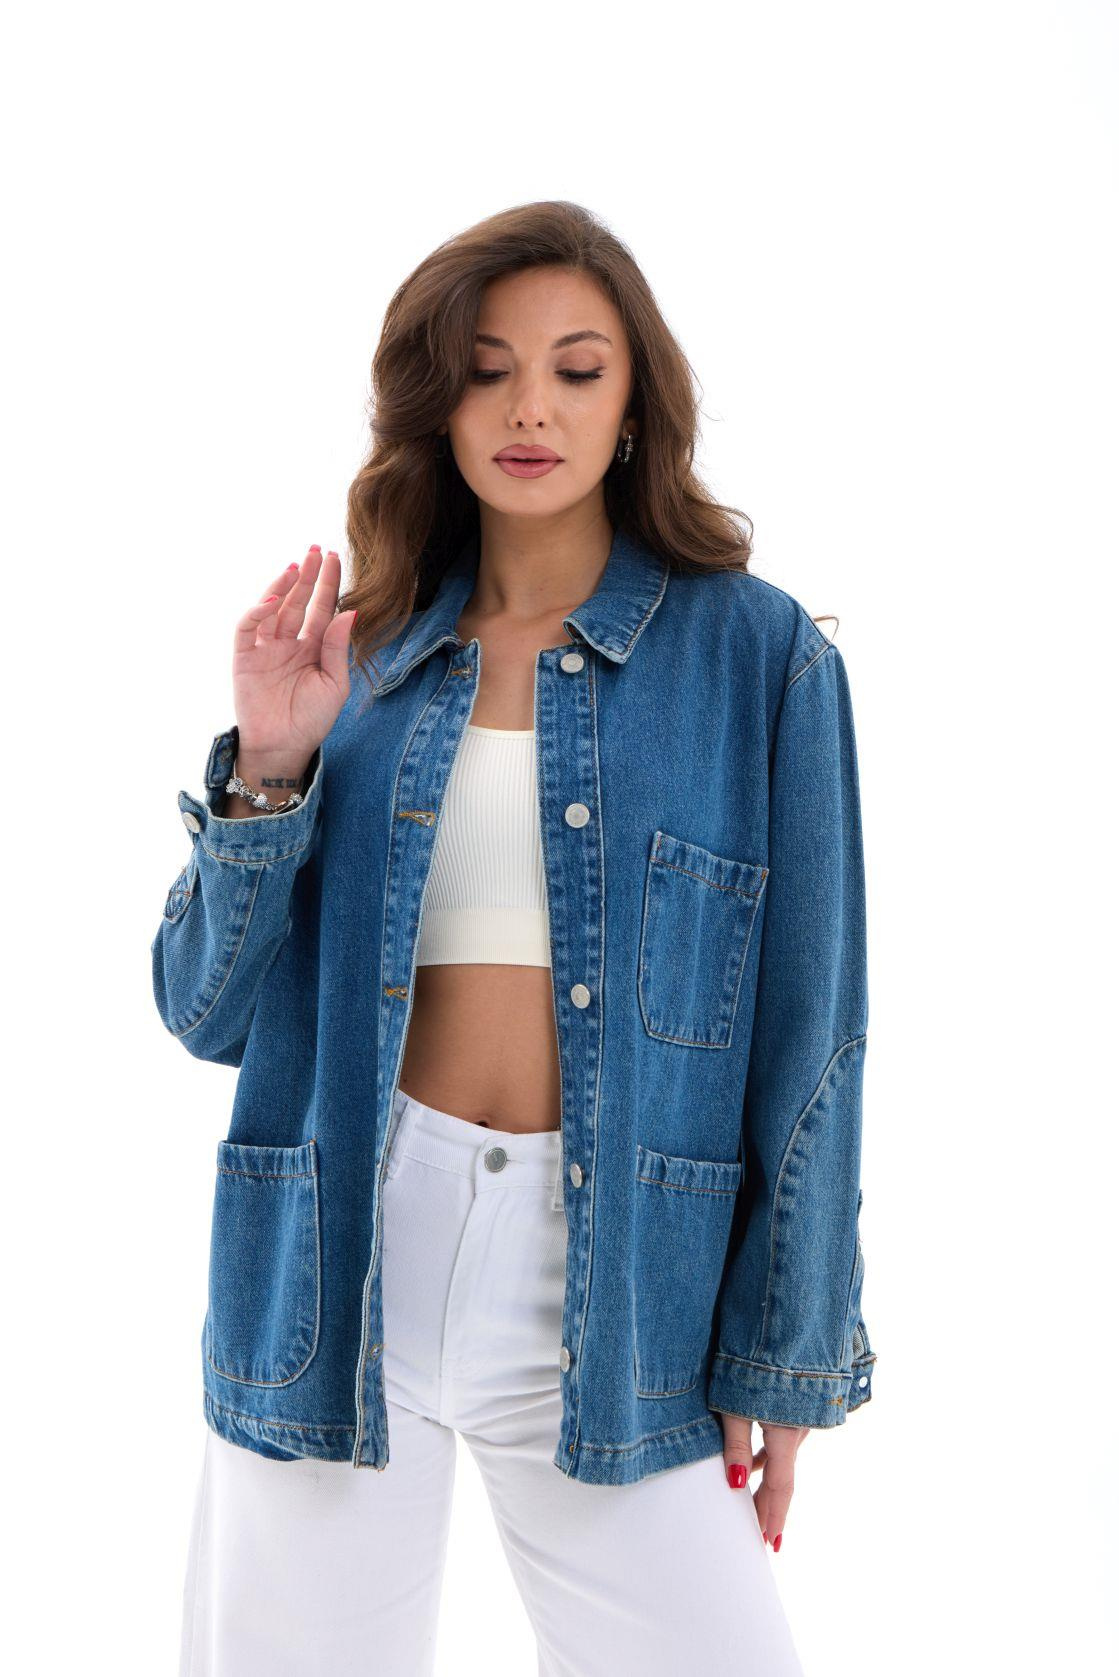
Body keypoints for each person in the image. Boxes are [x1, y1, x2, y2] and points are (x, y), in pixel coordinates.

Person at [159, 200, 875, 1677]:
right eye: (487, 371)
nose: (529, 407)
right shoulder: (361, 656)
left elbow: (815, 1032)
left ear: (635, 404)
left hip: (622, 1279)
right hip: (342, 1259)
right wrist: (271, 771)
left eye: (575, 368)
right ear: (441, 403)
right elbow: (202, 1009)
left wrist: (784, 1349)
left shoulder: (761, 658)